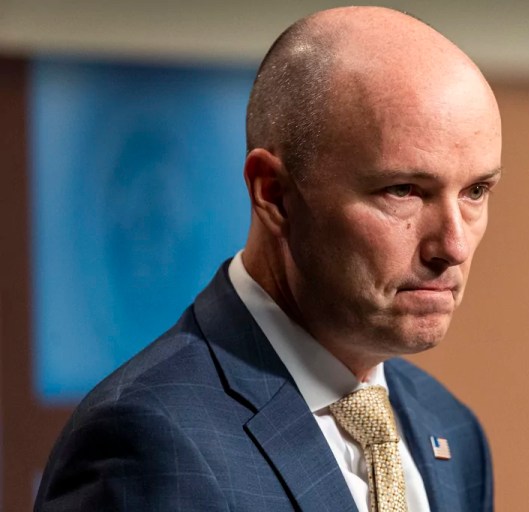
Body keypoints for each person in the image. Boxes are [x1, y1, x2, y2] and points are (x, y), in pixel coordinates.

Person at [35, 6, 502, 511]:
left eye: (476, 190)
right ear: (275, 194)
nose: (452, 246)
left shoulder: (450, 428)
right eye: (404, 190)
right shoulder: (146, 440)